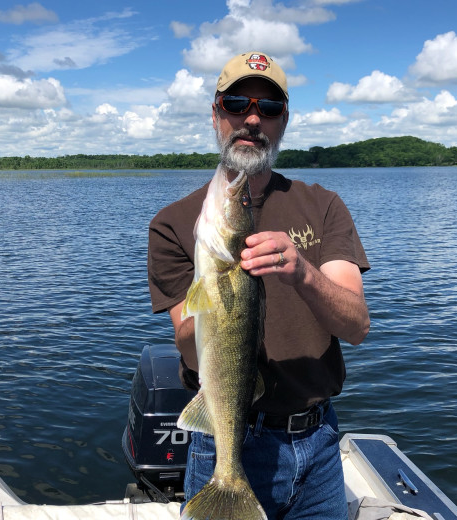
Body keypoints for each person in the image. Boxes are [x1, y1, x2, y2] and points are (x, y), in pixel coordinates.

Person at [147, 51, 370, 519]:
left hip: (320, 443)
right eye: (237, 104)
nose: (253, 119)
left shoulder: (323, 205)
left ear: (283, 120)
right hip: (228, 440)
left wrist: (303, 273)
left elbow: (356, 326)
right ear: (216, 113)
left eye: (269, 109)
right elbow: (190, 351)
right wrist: (208, 294)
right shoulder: (172, 225)